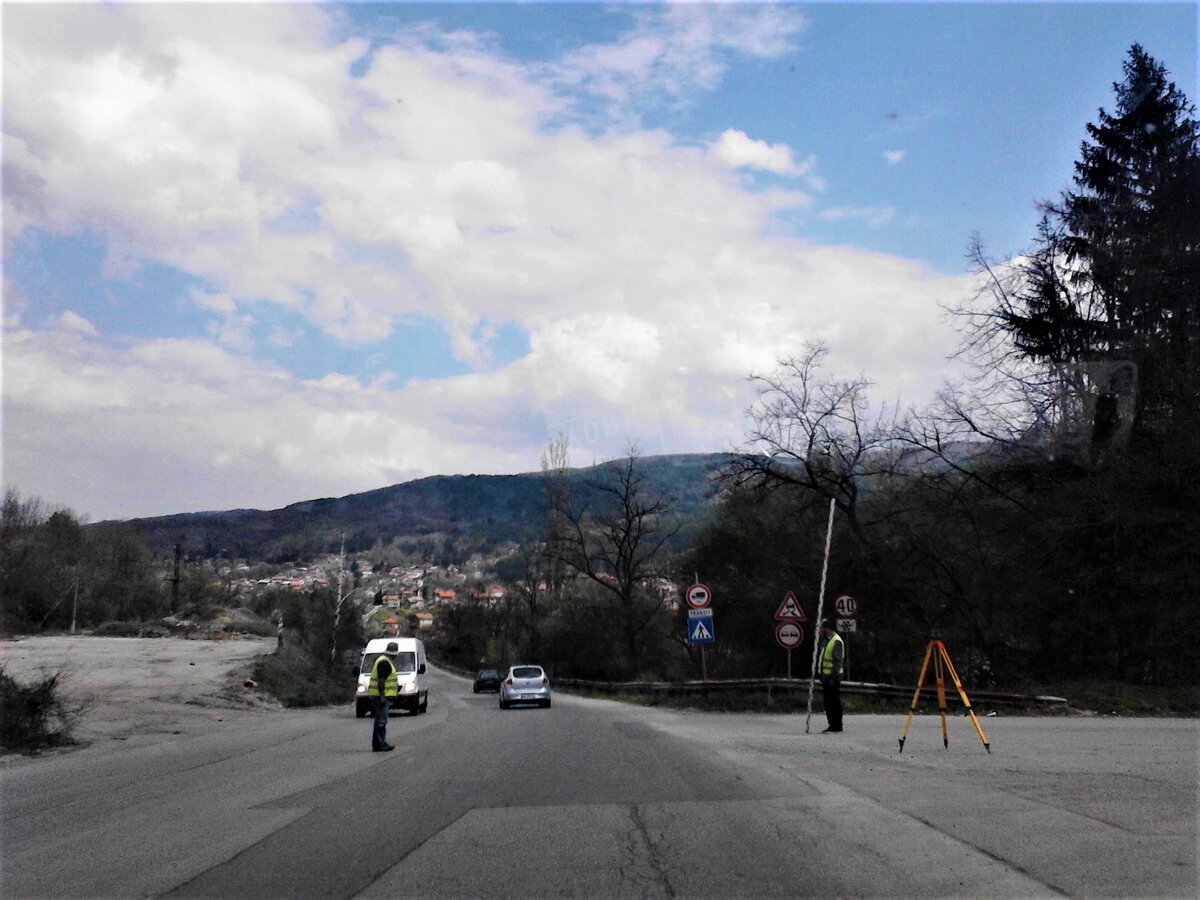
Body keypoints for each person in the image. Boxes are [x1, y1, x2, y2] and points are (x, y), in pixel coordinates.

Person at [369, 641, 400, 752]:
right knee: (381, 721)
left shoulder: (382, 660)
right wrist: (382, 695)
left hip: (379, 695)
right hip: (381, 696)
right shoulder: (384, 663)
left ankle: (378, 744)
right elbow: (381, 681)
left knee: (379, 720)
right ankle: (380, 743)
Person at [818, 619, 845, 733]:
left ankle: (837, 725)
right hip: (826, 676)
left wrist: (834, 678)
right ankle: (832, 724)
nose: (821, 631)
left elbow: (837, 662)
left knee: (834, 702)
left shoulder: (836, 641)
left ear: (828, 629)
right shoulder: (826, 640)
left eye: (823, 629)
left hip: (832, 678)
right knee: (828, 702)